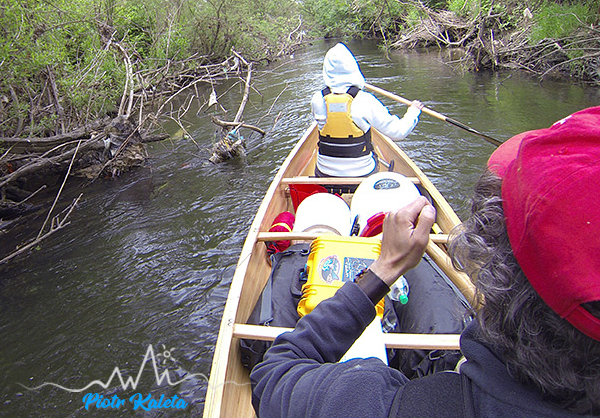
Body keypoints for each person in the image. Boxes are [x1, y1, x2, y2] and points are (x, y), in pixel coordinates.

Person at [251, 105, 600, 417]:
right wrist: (413, 114)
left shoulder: (381, 405)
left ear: (497, 268)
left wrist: (384, 269)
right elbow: (397, 130)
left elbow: (273, 375)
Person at [312, 43, 424, 177]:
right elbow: (398, 132)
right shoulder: (365, 100)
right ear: (353, 68)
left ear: (326, 71)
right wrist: (413, 112)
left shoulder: (317, 99)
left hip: (324, 172)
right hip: (362, 173)